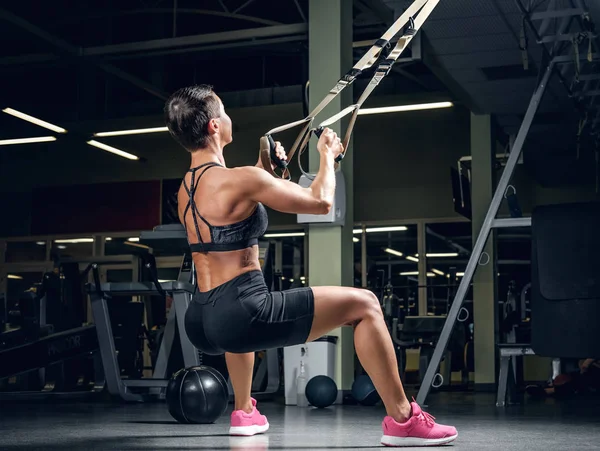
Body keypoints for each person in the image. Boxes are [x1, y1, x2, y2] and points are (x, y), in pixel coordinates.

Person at [164, 84, 458, 447]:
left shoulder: (186, 189)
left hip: (203, 318)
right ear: (213, 126)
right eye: (223, 112)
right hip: (241, 312)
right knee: (365, 304)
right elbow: (319, 202)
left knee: (239, 330)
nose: (228, 118)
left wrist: (266, 170)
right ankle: (404, 420)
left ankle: (244, 412)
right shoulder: (241, 179)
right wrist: (327, 157)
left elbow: (232, 212)